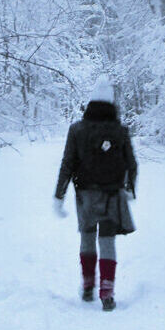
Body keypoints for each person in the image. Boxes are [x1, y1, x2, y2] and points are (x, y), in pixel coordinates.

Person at [53, 77, 138, 311]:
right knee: (107, 241)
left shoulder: (77, 129)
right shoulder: (120, 130)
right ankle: (107, 292)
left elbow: (67, 163)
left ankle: (88, 284)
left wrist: (59, 195)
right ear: (111, 102)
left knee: (87, 237)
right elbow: (132, 163)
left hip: (85, 194)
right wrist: (130, 188)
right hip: (113, 194)